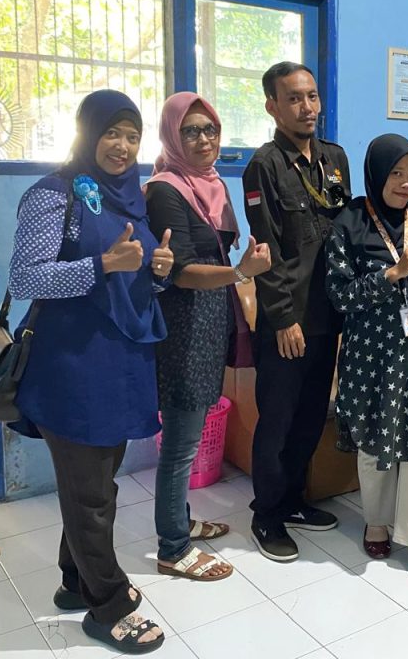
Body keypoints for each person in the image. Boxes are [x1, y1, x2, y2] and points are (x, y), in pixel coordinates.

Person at [8, 90, 171, 654]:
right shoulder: (53, 194)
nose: (122, 146)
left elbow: (132, 276)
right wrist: (102, 263)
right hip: (71, 368)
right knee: (92, 494)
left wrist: (158, 270)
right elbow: (26, 277)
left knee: (95, 486)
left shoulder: (130, 198)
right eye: (111, 133)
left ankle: (75, 581)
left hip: (119, 363)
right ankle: (108, 605)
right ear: (87, 134)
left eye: (132, 135)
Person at [145, 92, 272, 581]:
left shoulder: (211, 184)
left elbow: (218, 253)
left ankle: (180, 522)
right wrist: (240, 273)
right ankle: (173, 547)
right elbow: (180, 272)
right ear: (172, 136)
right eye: (190, 131)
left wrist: (239, 270)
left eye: (210, 129)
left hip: (211, 319)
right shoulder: (165, 190)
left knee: (190, 433)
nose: (203, 140)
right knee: (180, 442)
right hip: (184, 327)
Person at [326, 134, 408, 592]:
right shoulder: (350, 223)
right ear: (377, 173)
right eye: (396, 174)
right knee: (374, 436)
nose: (405, 184)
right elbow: (340, 295)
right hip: (371, 351)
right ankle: (376, 520)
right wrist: (390, 274)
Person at [243, 61, 352, 562]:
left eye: (311, 96)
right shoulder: (263, 167)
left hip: (326, 313)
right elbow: (265, 249)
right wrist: (283, 317)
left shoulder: (335, 158)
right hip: (287, 320)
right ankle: (266, 514)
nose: (307, 107)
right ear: (272, 106)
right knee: (278, 420)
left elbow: (346, 230)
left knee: (310, 416)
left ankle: (293, 501)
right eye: (293, 98)